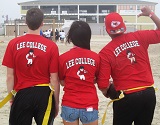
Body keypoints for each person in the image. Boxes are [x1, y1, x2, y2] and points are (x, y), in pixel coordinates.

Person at [98, 6, 160, 125]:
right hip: (148, 94)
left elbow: (102, 84)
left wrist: (107, 91)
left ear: (107, 30)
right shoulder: (139, 36)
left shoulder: (105, 53)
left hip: (126, 97)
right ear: (123, 25)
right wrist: (151, 14)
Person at [2, 8, 60, 125]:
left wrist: (12, 98)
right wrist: (56, 102)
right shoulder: (51, 46)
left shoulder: (13, 44)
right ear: (42, 23)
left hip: (22, 92)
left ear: (25, 22)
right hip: (44, 94)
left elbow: (9, 76)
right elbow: (54, 79)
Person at [58, 21, 107, 125]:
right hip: (90, 104)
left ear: (71, 37)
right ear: (88, 36)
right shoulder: (96, 58)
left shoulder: (62, 58)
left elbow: (62, 81)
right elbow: (97, 79)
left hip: (69, 103)